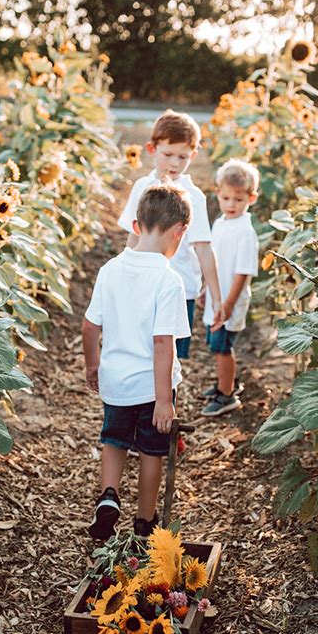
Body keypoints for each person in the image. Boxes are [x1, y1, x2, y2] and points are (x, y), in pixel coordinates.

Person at [82, 184, 191, 539]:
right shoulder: (168, 279)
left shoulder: (110, 269)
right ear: (179, 232)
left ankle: (109, 496)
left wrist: (92, 365)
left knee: (113, 440)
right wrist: (163, 400)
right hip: (150, 387)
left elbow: (90, 324)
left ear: (135, 225)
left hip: (115, 380)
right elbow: (163, 343)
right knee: (150, 451)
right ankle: (145, 521)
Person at [118, 109, 224, 362]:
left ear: (193, 155)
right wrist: (122, 273)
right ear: (152, 149)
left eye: (183, 157)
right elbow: (134, 237)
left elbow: (204, 249)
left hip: (180, 288)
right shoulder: (142, 187)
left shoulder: (193, 196)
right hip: (142, 284)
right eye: (168, 155)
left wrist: (215, 296)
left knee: (171, 358)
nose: (174, 163)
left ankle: (165, 400)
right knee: (139, 349)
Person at [201, 159, 259, 417]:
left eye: (238, 199)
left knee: (223, 347)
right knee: (216, 344)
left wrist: (228, 304)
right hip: (218, 296)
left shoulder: (245, 232)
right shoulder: (221, 223)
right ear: (218, 195)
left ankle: (227, 395)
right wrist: (206, 288)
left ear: (251, 198)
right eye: (226, 198)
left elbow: (243, 272)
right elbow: (213, 260)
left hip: (230, 300)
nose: (231, 205)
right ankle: (224, 382)